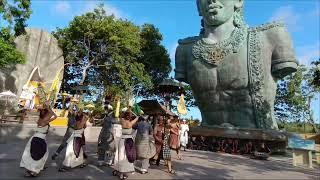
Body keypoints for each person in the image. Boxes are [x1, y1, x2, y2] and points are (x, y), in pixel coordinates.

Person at [20, 102, 57, 177]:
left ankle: (34, 168)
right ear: (46, 114)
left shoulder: (40, 119)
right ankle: (34, 170)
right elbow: (55, 116)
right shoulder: (45, 120)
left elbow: (50, 114)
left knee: (35, 154)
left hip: (36, 137)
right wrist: (47, 107)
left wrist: (46, 107)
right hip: (39, 139)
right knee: (38, 154)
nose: (48, 115)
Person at [113, 111, 139, 180]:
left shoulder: (122, 121)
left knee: (120, 155)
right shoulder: (131, 123)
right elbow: (137, 117)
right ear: (130, 117)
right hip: (129, 140)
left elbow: (119, 116)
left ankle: (119, 171)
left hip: (122, 140)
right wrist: (133, 112)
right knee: (127, 157)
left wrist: (125, 113)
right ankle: (124, 173)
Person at [97, 102, 117, 166]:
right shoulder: (107, 117)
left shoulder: (111, 118)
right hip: (106, 134)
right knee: (106, 148)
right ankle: (105, 161)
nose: (105, 110)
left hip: (108, 134)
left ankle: (105, 161)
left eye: (106, 109)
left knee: (108, 148)